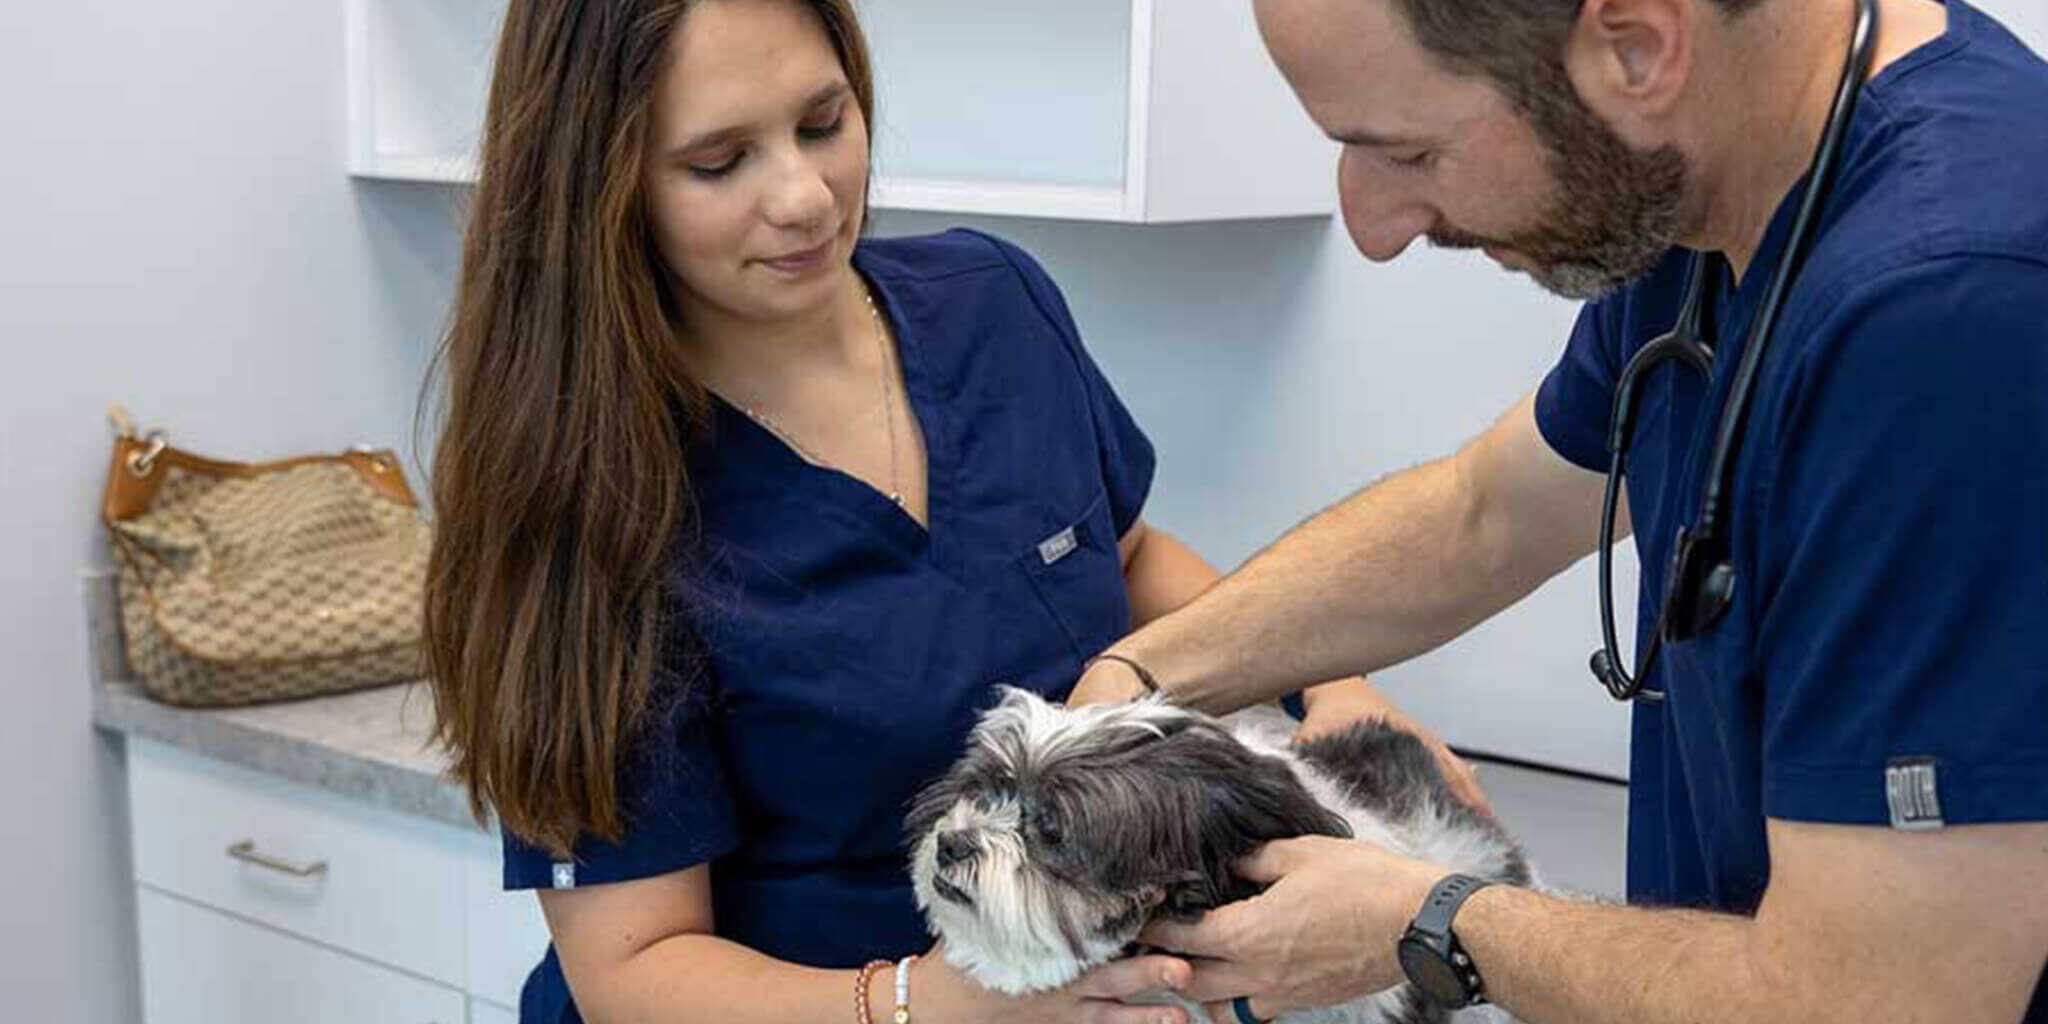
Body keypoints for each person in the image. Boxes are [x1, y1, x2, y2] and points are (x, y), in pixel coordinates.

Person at [418, 2, 1478, 1023]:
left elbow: (1133, 557)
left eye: (822, 123)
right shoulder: (587, 503)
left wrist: (1332, 687)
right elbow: (632, 973)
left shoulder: (990, 303)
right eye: (717, 162)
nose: (802, 196)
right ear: (599, 187)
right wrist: (926, 1004)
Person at [1071, 0, 2048, 1021]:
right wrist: (1139, 677)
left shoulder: (1948, 311)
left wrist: (1430, 920)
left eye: (1406, 153)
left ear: (1636, 46)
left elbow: (1877, 1003)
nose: (1369, 225)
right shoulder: (1712, 195)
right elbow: (1479, 517)